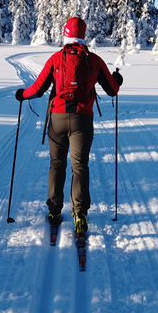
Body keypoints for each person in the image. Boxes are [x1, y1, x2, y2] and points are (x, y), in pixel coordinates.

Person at [15, 16, 123, 236]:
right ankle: (80, 213)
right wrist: (117, 79)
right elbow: (113, 90)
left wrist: (21, 95)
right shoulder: (95, 60)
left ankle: (54, 210)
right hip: (82, 120)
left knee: (57, 164)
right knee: (79, 166)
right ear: (83, 35)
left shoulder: (56, 59)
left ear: (65, 34)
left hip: (57, 119)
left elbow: (37, 89)